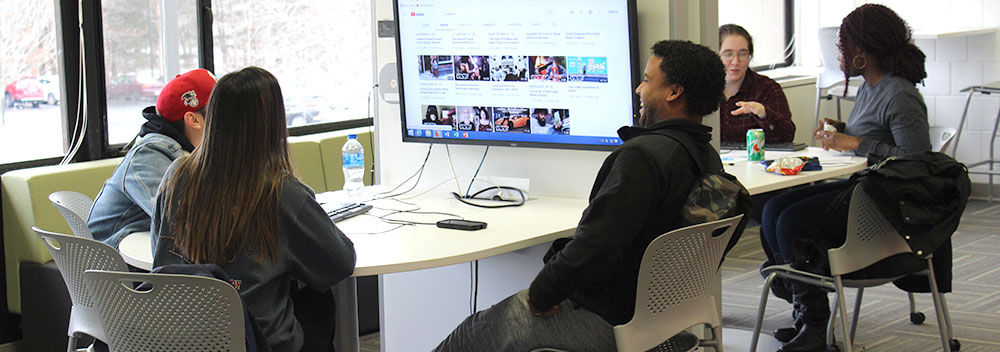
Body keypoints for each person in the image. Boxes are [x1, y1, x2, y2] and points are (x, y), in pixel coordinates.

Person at [432, 40, 726, 351]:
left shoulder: (643, 157)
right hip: (665, 316)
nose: (639, 89)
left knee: (471, 335)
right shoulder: (706, 156)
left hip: (610, 320)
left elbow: (597, 245)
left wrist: (542, 293)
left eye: (647, 79)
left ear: (673, 92)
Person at [759, 5, 930, 352]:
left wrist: (856, 142)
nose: (840, 53)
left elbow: (919, 163)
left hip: (885, 206)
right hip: (863, 189)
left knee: (791, 222)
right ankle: (803, 310)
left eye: (844, 46)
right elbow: (874, 134)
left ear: (863, 52)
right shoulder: (871, 86)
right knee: (771, 209)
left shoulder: (900, 93)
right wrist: (842, 131)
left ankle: (816, 326)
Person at [151, 67, 356, 352]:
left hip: (180, 338)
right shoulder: (281, 192)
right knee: (319, 301)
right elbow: (340, 264)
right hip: (256, 342)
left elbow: (160, 256)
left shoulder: (175, 176)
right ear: (272, 123)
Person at [87, 69, 216, 248]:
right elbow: (183, 221)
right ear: (194, 119)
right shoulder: (149, 155)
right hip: (119, 266)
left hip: (148, 253)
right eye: (219, 110)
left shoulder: (191, 152)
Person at [718, 24, 795, 144]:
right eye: (728, 54)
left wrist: (764, 113)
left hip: (756, 160)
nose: (735, 61)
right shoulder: (703, 88)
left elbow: (787, 137)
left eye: (742, 54)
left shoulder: (767, 89)